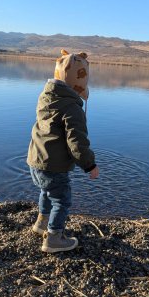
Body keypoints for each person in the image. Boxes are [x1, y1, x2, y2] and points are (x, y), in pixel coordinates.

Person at [27, 49, 99, 253]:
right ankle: (54, 238)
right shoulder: (72, 109)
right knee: (62, 199)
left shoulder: (46, 97)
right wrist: (90, 165)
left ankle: (41, 223)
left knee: (46, 191)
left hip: (36, 160)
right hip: (54, 165)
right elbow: (77, 143)